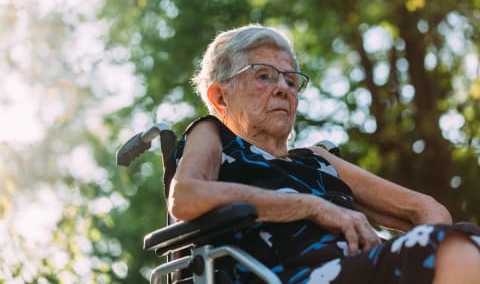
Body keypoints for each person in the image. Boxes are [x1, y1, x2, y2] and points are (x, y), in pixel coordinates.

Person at [167, 24, 480, 284]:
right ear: (220, 96)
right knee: (444, 250)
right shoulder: (214, 136)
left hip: (361, 269)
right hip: (286, 275)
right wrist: (310, 206)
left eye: (290, 80)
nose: (283, 88)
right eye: (264, 75)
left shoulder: (318, 160)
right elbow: (185, 197)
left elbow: (426, 210)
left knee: (466, 241)